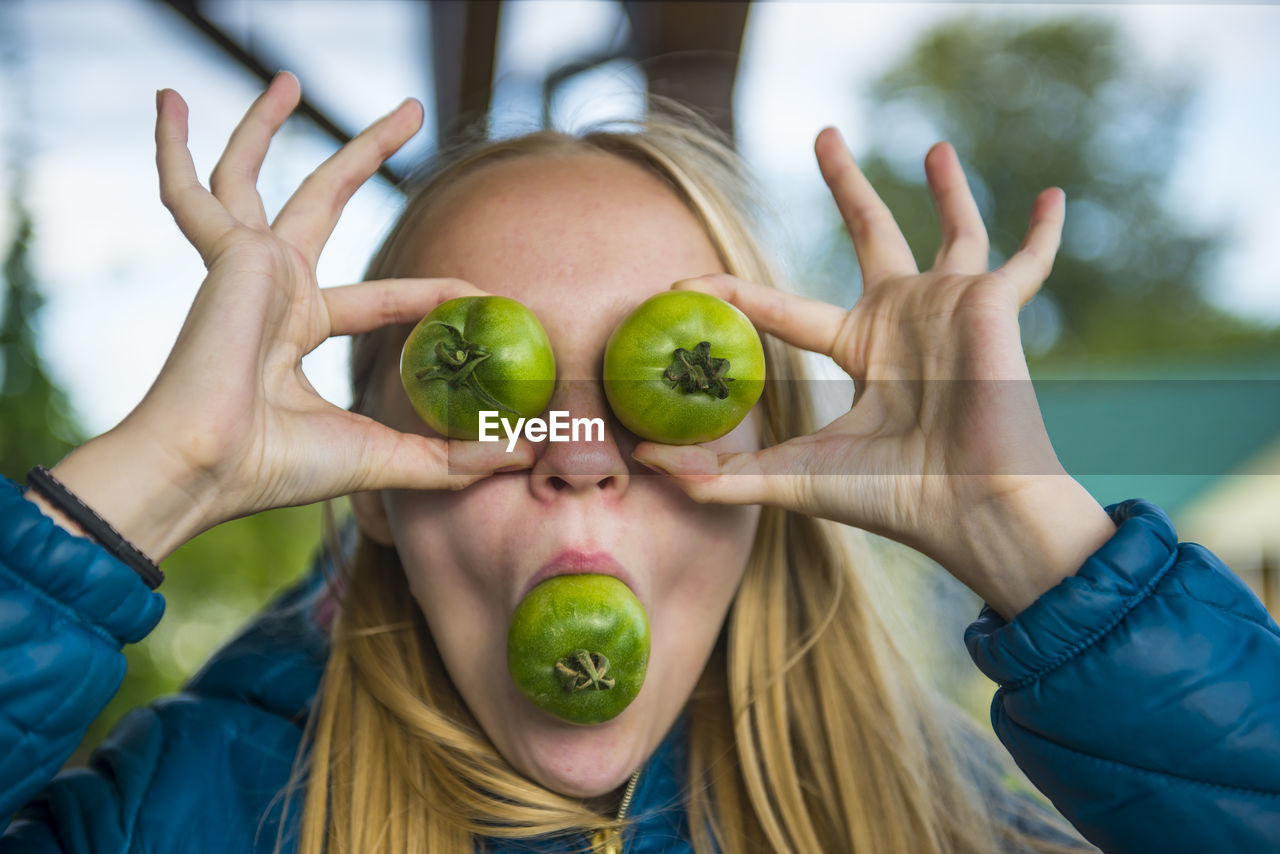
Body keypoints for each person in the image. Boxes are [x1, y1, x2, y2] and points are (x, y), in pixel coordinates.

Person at [2, 70, 1277, 854]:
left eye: (657, 387)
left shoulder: (950, 826)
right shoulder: (168, 819)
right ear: (376, 486)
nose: (574, 455)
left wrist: (1025, 534)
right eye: (492, 395)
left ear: (777, 460)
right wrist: (157, 471)